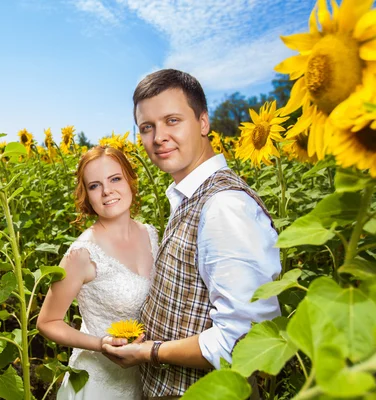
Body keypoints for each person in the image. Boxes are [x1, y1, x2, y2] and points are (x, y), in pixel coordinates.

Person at [101, 69, 282, 399]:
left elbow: (247, 342)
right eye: (147, 127)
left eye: (172, 120)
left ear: (202, 123)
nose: (158, 137)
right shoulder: (189, 196)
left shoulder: (224, 207)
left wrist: (150, 353)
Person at [37, 146, 159, 399]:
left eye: (115, 179)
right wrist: (100, 344)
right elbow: (47, 322)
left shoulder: (151, 234)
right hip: (98, 384)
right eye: (94, 185)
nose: (107, 191)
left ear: (130, 180)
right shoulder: (82, 253)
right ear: (87, 196)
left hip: (148, 380)